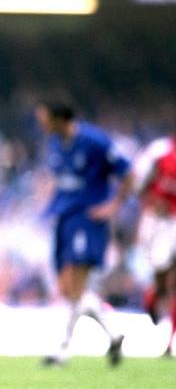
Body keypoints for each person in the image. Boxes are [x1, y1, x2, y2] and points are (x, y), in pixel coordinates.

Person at [35, 100, 132, 367]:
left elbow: (128, 171)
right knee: (68, 289)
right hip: (64, 219)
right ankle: (113, 333)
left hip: (88, 220)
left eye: (43, 117)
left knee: (75, 284)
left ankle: (62, 350)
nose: (40, 123)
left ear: (58, 118)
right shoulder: (55, 143)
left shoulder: (95, 142)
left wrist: (114, 206)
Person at [132, 132, 176, 357]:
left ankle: (170, 342)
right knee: (162, 276)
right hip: (159, 223)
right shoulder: (160, 151)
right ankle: (153, 296)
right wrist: (150, 202)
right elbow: (138, 183)